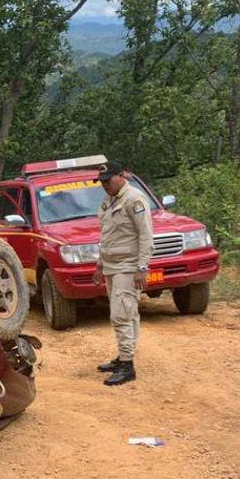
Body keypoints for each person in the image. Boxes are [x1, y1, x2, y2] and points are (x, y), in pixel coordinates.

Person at [92, 160, 153, 386]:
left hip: (128, 266)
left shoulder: (134, 199)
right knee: (128, 312)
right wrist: (100, 264)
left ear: (121, 176)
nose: (104, 185)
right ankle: (124, 357)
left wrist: (142, 268)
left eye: (108, 181)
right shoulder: (110, 200)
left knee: (121, 314)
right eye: (101, 182)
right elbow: (107, 235)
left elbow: (146, 235)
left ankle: (127, 365)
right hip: (111, 264)